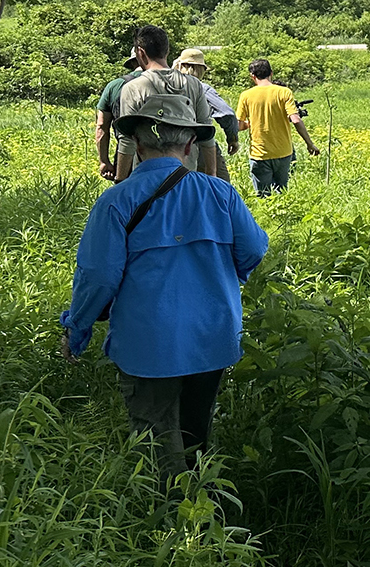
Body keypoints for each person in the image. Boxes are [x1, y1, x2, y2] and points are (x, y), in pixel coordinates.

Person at [58, 93, 269, 481]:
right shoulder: (220, 193)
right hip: (213, 335)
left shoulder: (116, 201)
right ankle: (203, 510)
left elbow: (99, 278)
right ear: (189, 144)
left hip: (147, 342)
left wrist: (78, 328)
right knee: (196, 431)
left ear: (136, 144)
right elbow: (254, 249)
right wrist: (222, 278)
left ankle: (173, 524)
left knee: (157, 438)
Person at [116, 26, 220, 181]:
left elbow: (127, 141)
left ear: (140, 53)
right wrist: (212, 175)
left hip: (146, 177)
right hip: (184, 174)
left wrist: (120, 181)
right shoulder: (193, 84)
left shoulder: (133, 88)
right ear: (167, 51)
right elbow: (207, 133)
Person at [235, 59, 320, 197]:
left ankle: (266, 218)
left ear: (253, 76)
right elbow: (296, 119)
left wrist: (252, 123)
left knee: (263, 196)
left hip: (259, 154)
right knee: (282, 193)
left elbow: (238, 125)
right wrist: (310, 144)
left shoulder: (246, 95)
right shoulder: (284, 92)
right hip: (284, 153)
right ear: (271, 73)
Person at [174, 48, 240, 182]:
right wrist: (232, 138)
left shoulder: (168, 85)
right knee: (220, 186)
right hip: (200, 144)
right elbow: (226, 114)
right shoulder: (202, 88)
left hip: (171, 146)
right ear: (201, 69)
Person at [95, 55, 142, 182]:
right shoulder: (165, 83)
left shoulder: (114, 86)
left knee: (124, 197)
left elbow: (101, 127)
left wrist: (104, 161)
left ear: (132, 63)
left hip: (125, 156)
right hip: (162, 156)